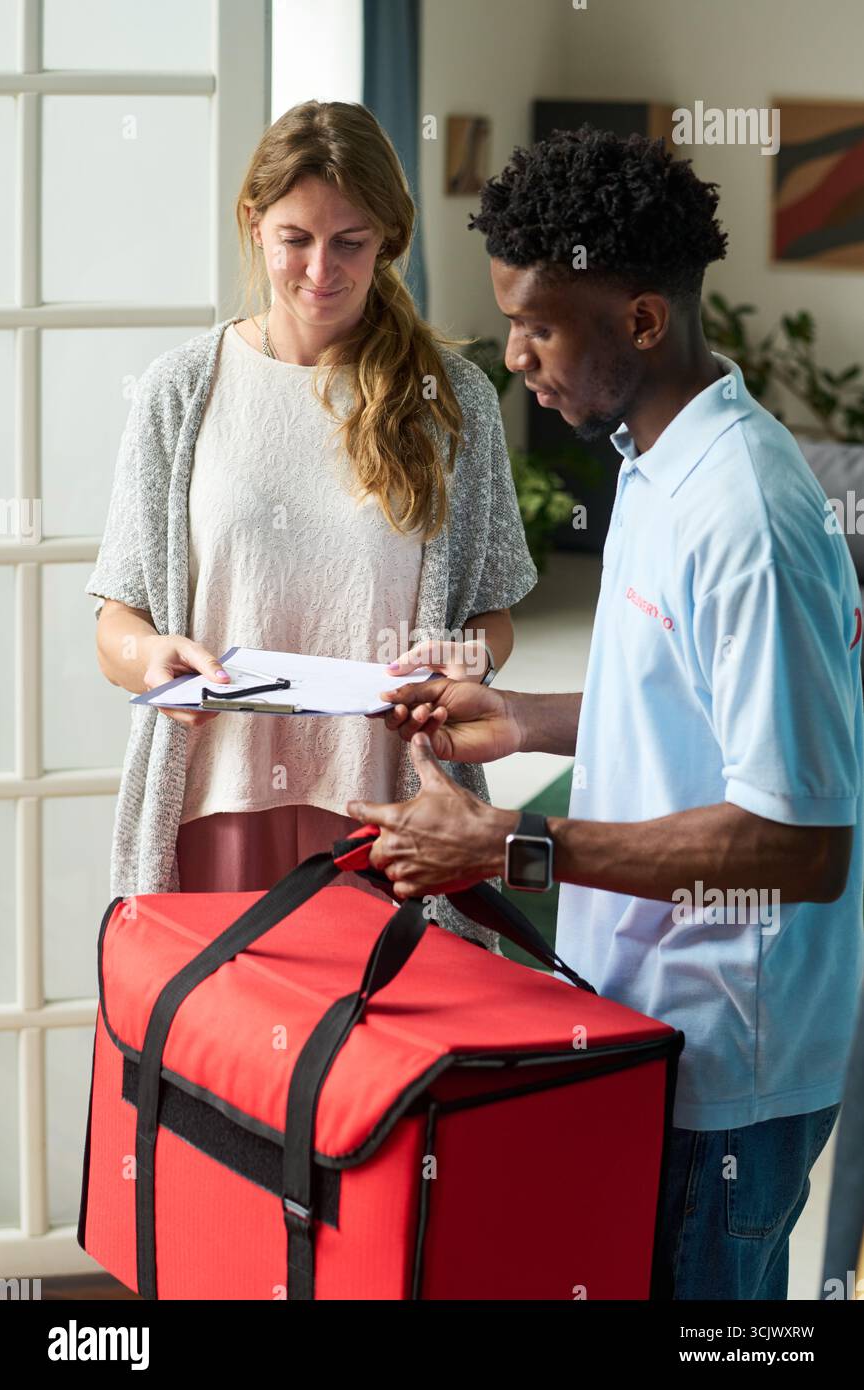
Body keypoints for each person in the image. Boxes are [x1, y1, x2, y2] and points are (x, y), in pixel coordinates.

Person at [346, 125, 864, 1300]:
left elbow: (799, 842)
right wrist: (521, 718)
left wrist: (513, 841)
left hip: (727, 1070)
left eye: (536, 322)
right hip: (641, 1029)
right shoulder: (650, 458)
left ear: (638, 321)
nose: (513, 353)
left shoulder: (745, 515)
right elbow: (682, 704)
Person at [86, 100, 537, 945]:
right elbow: (117, 621)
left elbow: (493, 617)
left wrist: (464, 655)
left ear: (389, 241)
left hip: (390, 812)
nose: (321, 269)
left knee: (387, 1067)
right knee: (217, 1066)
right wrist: (154, 659)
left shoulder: (455, 400)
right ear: (254, 226)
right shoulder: (179, 392)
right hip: (214, 805)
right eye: (296, 238)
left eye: (351, 242)